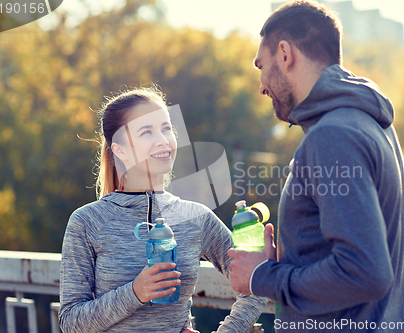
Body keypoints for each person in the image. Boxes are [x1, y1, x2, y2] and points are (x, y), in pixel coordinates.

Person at [228, 1, 404, 332]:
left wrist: (263, 276)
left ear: (285, 54)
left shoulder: (333, 136)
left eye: (261, 66)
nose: (262, 85)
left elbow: (365, 272)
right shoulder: (369, 123)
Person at [59, 86, 268, 333]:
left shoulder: (196, 217)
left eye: (166, 128)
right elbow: (70, 322)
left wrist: (228, 331)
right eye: (147, 131)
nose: (163, 140)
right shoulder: (87, 221)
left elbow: (258, 280)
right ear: (120, 149)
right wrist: (135, 292)